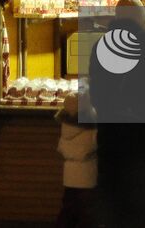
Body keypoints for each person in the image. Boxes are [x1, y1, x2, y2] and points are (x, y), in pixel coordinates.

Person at [88, 0, 145, 226]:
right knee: (143, 204)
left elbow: (96, 93)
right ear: (139, 18)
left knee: (114, 200)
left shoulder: (100, 44)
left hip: (110, 135)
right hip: (142, 138)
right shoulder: (143, 42)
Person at [54, 93, 97, 228]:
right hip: (87, 177)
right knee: (86, 213)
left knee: (68, 209)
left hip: (69, 177)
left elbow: (61, 149)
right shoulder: (91, 131)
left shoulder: (65, 128)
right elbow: (94, 147)